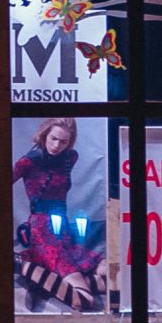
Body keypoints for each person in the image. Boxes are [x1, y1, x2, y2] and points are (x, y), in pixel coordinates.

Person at [12, 115, 101, 312]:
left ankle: (36, 270)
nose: (57, 145)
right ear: (44, 135)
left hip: (62, 228)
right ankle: (22, 265)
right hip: (41, 230)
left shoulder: (71, 157)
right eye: (53, 138)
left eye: (63, 141)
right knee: (83, 300)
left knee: (107, 271)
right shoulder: (28, 162)